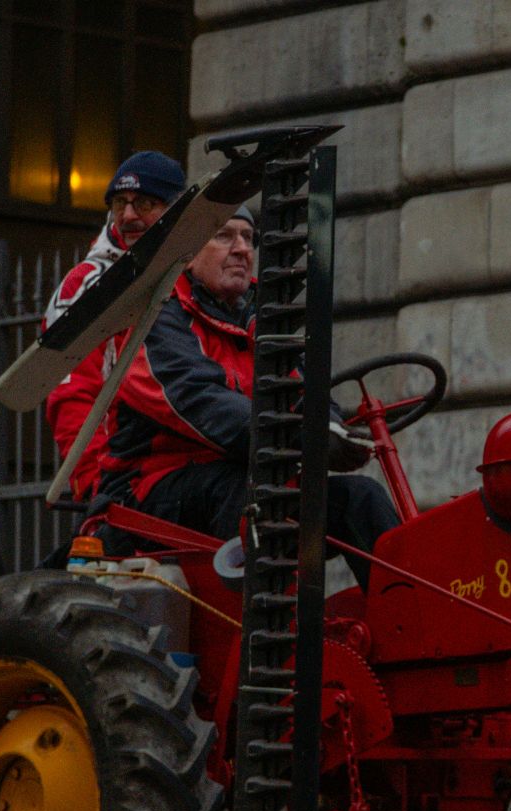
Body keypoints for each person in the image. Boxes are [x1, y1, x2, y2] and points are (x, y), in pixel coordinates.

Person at [98, 205, 398, 581]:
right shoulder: (153, 315)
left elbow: (304, 391)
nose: (242, 249)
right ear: (187, 255)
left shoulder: (263, 318)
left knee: (361, 498)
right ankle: (264, 634)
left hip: (248, 473)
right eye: (224, 236)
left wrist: (332, 429)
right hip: (149, 489)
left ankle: (407, 620)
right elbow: (193, 398)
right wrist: (297, 434)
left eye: (248, 238)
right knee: (252, 496)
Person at [42, 150, 185, 501]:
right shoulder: (86, 286)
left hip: (188, 471)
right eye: (120, 203)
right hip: (122, 485)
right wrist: (95, 483)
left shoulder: (196, 274)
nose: (128, 215)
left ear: (177, 209)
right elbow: (70, 395)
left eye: (145, 203)